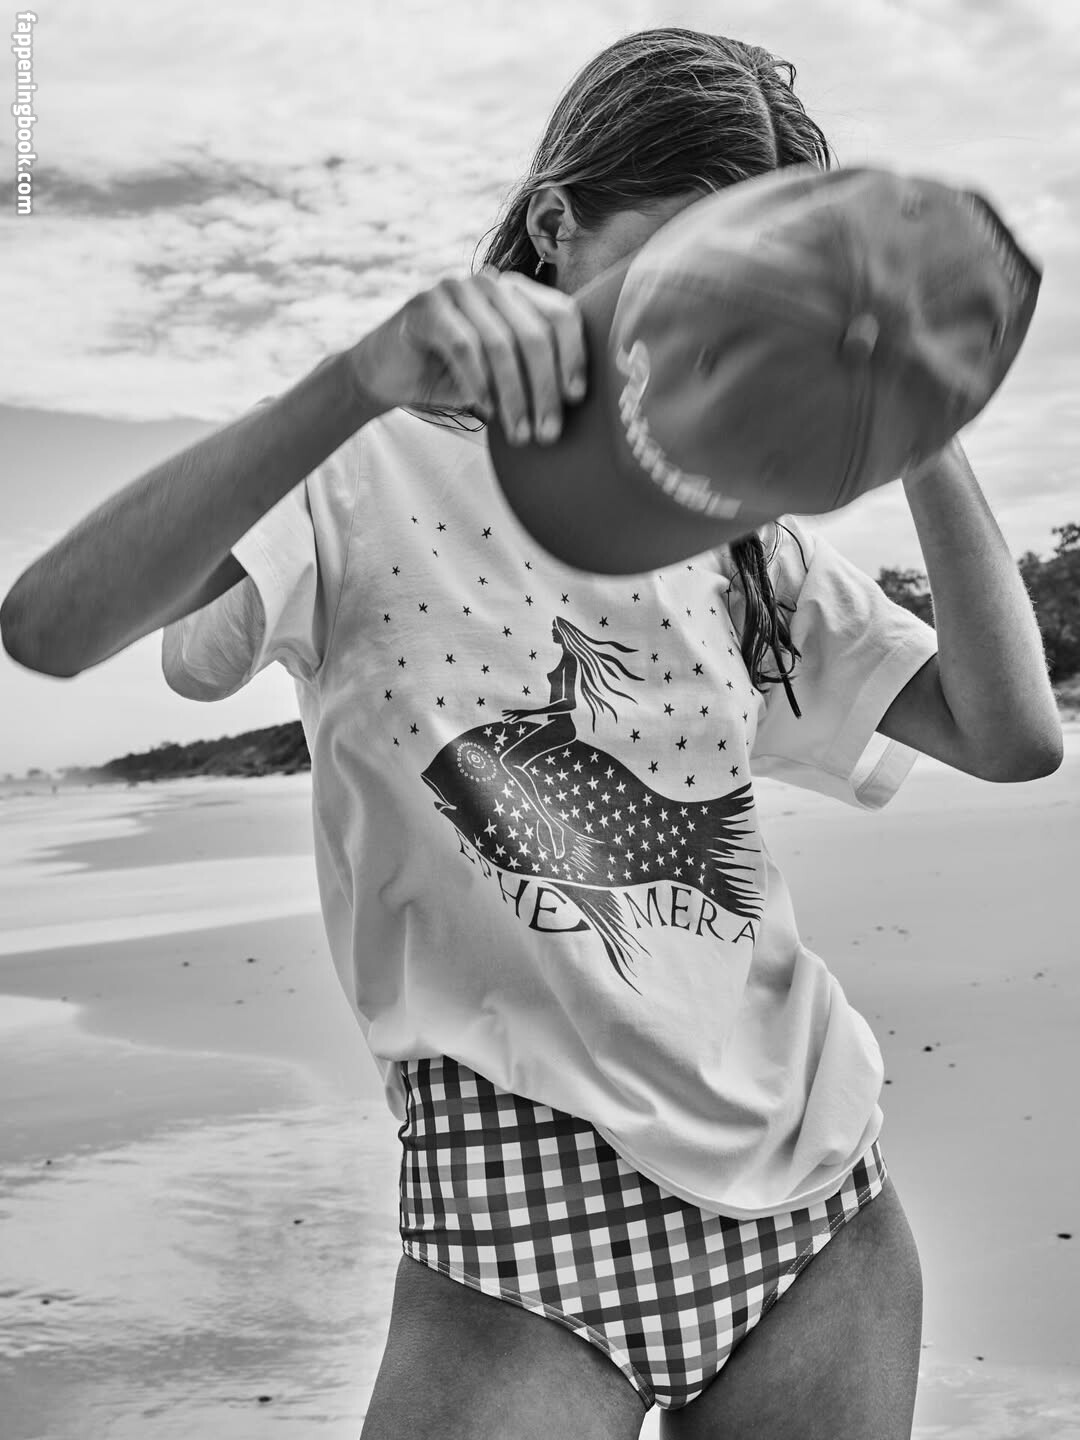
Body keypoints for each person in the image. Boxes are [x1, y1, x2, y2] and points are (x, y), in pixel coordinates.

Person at [1, 26, 1063, 1440]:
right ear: (557, 226)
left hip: (823, 1207)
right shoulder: (366, 462)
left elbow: (1011, 733)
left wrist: (911, 399)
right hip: (518, 1214)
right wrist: (351, 381)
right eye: (682, 269)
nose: (715, 328)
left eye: (763, 294)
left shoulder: (743, 527)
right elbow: (52, 625)